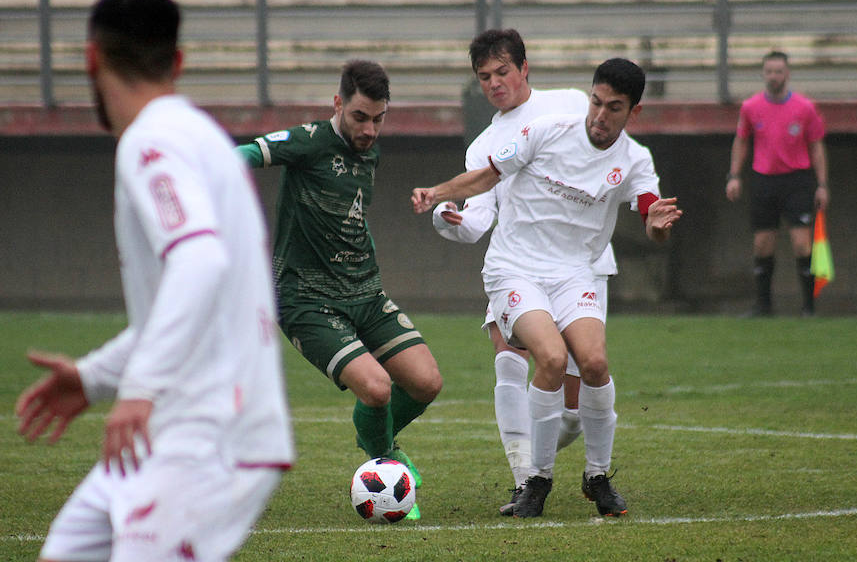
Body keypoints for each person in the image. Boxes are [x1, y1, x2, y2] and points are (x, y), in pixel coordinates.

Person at [15, 0, 294, 561]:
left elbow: (199, 261)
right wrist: (94, 378)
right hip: (168, 432)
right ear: (178, 61)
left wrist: (137, 390)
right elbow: (187, 306)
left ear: (91, 59)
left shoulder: (152, 142)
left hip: (207, 436)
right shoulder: (199, 136)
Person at [412, 58, 682, 518]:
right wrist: (438, 191)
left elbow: (653, 219)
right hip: (514, 268)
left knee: (595, 363)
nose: (599, 115)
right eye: (595, 102)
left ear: (632, 113)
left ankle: (597, 477)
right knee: (552, 358)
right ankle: (536, 480)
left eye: (613, 108)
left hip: (576, 273)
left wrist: (657, 227)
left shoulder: (635, 161)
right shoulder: (549, 130)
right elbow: (486, 175)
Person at [236, 60, 442, 521]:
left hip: (365, 292)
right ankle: (386, 459)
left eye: (378, 119)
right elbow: (248, 154)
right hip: (307, 299)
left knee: (427, 382)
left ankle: (376, 441)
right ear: (338, 104)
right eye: (359, 117)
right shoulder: (309, 141)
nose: (369, 129)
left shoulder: (370, 151)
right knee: (376, 389)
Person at [430, 28, 618, 516]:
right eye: (484, 77)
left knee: (577, 403)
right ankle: (525, 480)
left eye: (502, 72)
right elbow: (477, 219)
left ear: (524, 67)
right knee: (513, 354)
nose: (494, 83)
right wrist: (449, 216)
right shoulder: (484, 146)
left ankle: (557, 455)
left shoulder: (571, 105)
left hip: (581, 265)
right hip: (518, 267)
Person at [727, 50, 829, 317]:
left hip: (797, 180)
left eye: (778, 71)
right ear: (763, 74)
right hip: (764, 180)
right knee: (762, 243)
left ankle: (809, 307)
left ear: (787, 74)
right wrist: (734, 176)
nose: (774, 76)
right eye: (769, 71)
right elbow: (741, 141)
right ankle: (763, 306)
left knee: (801, 244)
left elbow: (816, 146)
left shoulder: (805, 107)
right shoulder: (750, 107)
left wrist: (822, 184)